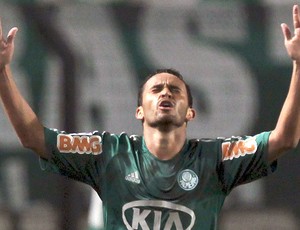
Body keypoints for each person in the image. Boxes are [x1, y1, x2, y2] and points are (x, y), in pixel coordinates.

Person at [1, 4, 300, 230]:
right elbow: (33, 137)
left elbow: (285, 139)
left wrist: (299, 66)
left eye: (175, 90)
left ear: (191, 113)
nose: (166, 93)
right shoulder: (109, 154)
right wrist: (2, 73)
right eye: (156, 89)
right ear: (139, 111)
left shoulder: (216, 159)